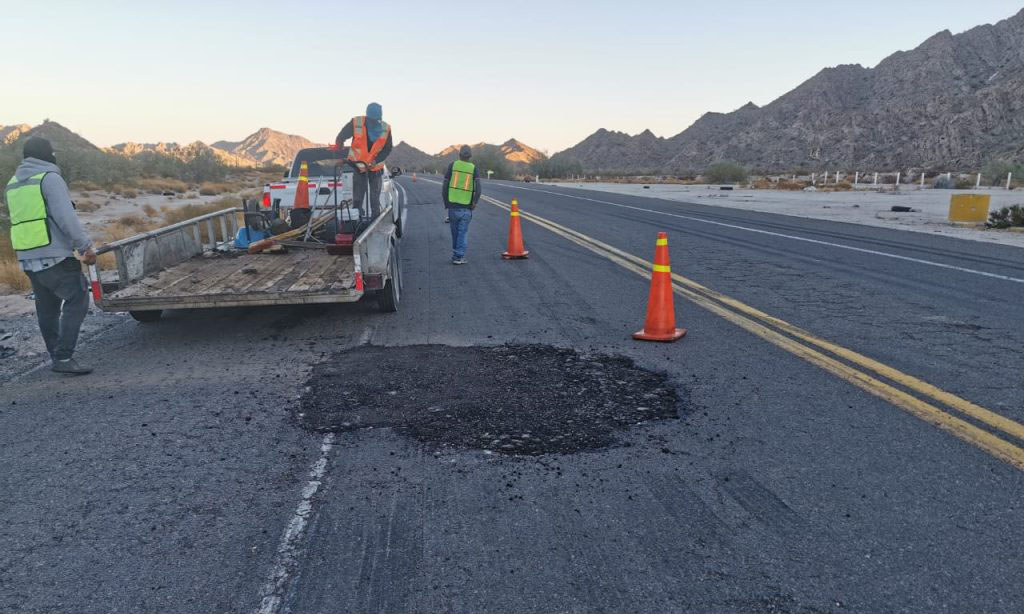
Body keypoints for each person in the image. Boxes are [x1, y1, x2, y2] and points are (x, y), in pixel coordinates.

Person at [4, 137, 95, 374]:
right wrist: (85, 245)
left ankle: (57, 356)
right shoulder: (50, 178)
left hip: (27, 257)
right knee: (78, 298)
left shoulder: (13, 183)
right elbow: (66, 217)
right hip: (54, 255)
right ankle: (63, 357)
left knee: (47, 309)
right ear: (47, 154)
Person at [335, 103, 393, 218]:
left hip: (375, 169)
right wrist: (339, 144)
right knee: (357, 199)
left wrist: (376, 160)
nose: (373, 122)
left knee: (374, 200)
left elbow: (388, 149)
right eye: (371, 120)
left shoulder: (385, 129)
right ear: (367, 117)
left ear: (380, 119)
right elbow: (341, 136)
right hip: (359, 168)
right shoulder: (357, 123)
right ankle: (356, 222)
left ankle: (374, 222)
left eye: (376, 120)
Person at [442, 145, 481, 265]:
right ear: (470, 156)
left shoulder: (452, 165)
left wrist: (446, 203)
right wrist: (474, 202)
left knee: (455, 232)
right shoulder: (473, 168)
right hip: (466, 207)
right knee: (462, 232)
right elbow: (478, 189)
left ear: (459, 154)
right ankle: (458, 256)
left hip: (452, 206)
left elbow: (445, 186)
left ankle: (456, 255)